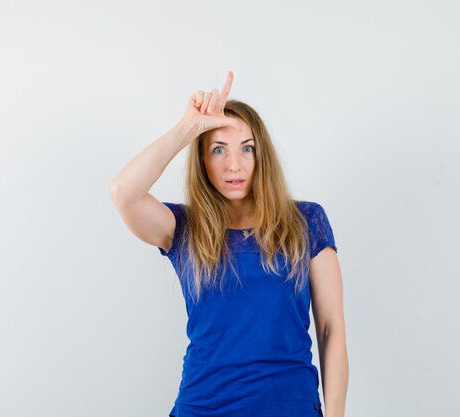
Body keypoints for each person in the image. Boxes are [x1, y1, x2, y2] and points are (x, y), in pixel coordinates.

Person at [109, 71, 348, 417]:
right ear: (203, 161)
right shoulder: (184, 228)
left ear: (261, 155)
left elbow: (331, 329)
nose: (234, 165)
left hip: (289, 407)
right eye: (218, 150)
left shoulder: (306, 222)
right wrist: (188, 128)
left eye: (246, 149)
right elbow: (123, 192)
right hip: (202, 407)